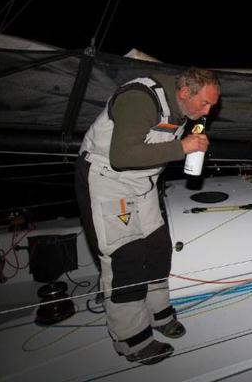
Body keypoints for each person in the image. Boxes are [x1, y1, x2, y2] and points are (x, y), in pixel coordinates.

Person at [75, 68, 220, 364]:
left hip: (143, 183)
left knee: (157, 247)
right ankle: (132, 340)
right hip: (108, 180)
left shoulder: (184, 110)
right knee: (126, 257)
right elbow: (122, 155)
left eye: (212, 106)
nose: (208, 111)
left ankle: (159, 313)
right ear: (184, 93)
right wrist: (182, 147)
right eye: (204, 104)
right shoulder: (140, 99)